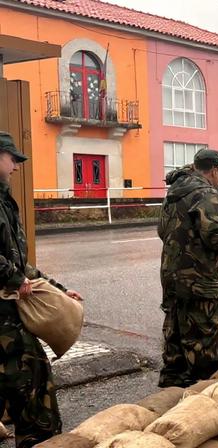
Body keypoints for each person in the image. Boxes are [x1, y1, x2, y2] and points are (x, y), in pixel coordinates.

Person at [0, 132, 83, 447]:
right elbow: (11, 269)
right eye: (13, 159)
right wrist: (13, 278)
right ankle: (39, 439)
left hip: (7, 309)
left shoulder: (4, 199)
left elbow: (19, 264)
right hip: (3, 313)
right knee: (32, 378)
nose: (17, 167)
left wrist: (59, 290)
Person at [158, 149, 218, 388]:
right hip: (200, 273)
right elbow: (213, 233)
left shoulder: (175, 191)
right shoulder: (207, 193)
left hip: (171, 271)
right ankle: (201, 381)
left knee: (176, 322)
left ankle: (173, 375)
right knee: (204, 326)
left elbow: (161, 229)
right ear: (213, 170)